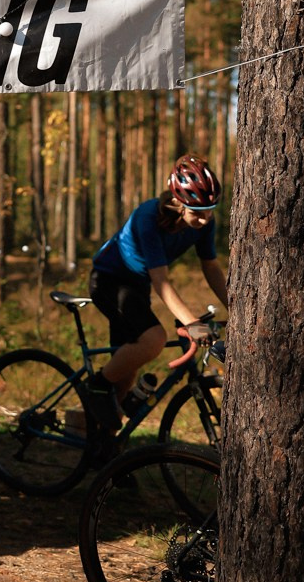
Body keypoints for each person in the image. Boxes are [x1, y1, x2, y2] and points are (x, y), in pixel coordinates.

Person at [85, 155, 228, 431]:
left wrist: (237, 307)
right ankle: (96, 385)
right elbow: (161, 281)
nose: (205, 218)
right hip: (107, 281)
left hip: (137, 287)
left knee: (125, 379)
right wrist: (193, 324)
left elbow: (210, 267)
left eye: (210, 210)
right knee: (154, 339)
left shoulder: (205, 223)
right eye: (197, 211)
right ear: (178, 202)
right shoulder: (148, 216)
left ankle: (104, 454)